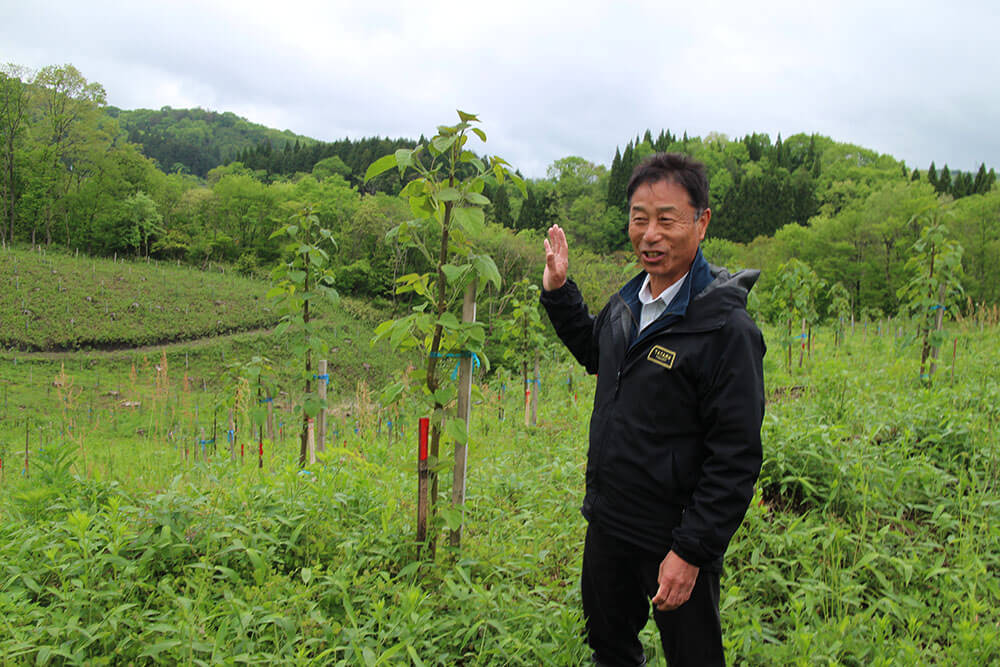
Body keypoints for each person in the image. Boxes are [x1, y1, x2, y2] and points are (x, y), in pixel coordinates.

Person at [540, 153, 765, 666]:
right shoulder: (630, 302)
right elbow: (600, 354)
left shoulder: (725, 330)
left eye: (667, 219)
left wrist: (690, 553)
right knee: (610, 648)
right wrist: (559, 292)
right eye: (640, 219)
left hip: (673, 537)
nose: (650, 234)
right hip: (609, 522)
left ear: (701, 223)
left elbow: (735, 457)